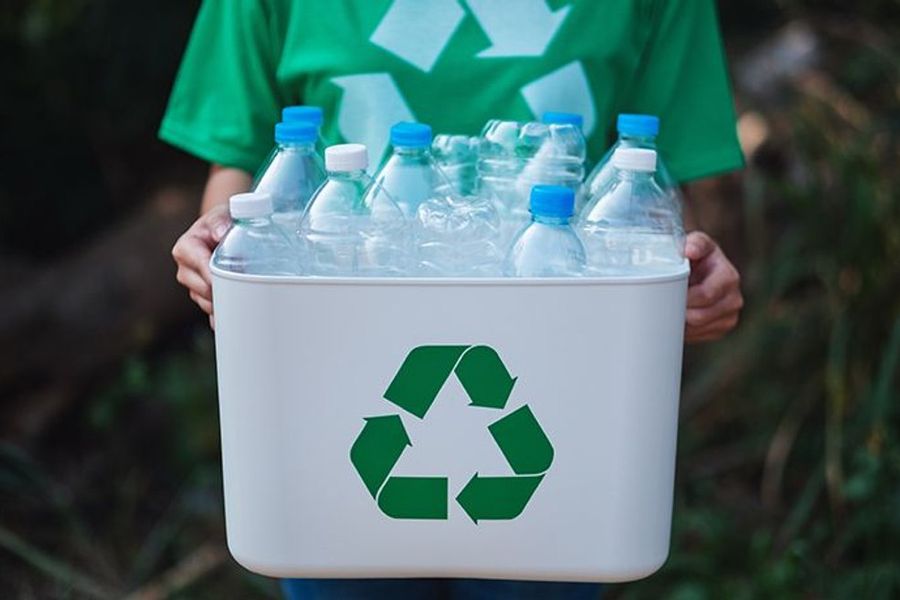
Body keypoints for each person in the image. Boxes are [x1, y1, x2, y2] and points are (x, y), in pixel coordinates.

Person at [164, 0, 744, 597]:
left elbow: (664, 190)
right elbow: (238, 164)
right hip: (332, 384)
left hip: (563, 384)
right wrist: (225, 244)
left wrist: (688, 285)